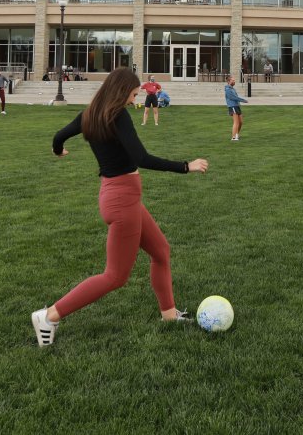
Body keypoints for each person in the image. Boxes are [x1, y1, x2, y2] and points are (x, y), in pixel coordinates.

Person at [31, 68, 208, 347]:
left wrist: (57, 150)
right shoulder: (118, 115)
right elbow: (142, 157)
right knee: (115, 276)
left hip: (117, 196)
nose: (132, 100)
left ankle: (169, 314)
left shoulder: (90, 113)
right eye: (133, 94)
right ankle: (49, 315)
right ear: (122, 90)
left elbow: (59, 136)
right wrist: (186, 166)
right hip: (122, 200)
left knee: (161, 251)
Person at [224, 76, 248, 141]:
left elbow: (236, 97)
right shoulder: (228, 90)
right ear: (228, 81)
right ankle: (233, 137)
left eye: (234, 80)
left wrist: (239, 104)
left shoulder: (233, 89)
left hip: (237, 106)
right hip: (232, 106)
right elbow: (233, 97)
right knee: (236, 122)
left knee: (241, 122)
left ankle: (237, 134)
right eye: (233, 81)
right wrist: (243, 100)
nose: (234, 82)